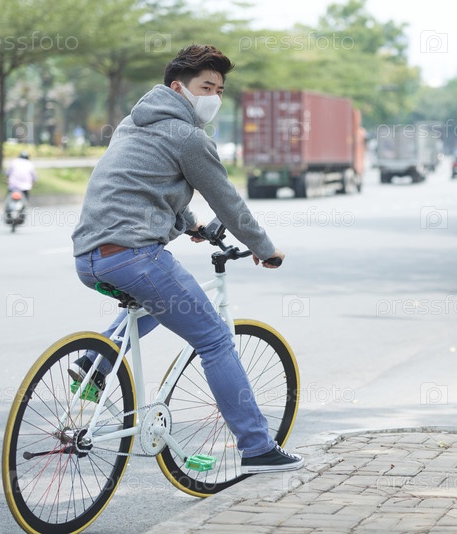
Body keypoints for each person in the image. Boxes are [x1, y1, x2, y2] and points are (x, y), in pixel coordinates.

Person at [70, 45, 303, 473]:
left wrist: (192, 225)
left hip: (89, 256)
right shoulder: (190, 137)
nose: (213, 97)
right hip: (133, 255)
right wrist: (264, 247)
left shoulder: (132, 124)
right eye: (205, 87)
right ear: (178, 88)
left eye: (219, 90)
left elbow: (141, 186)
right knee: (214, 340)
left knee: (161, 302)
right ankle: (257, 447)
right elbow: (227, 201)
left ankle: (95, 362)